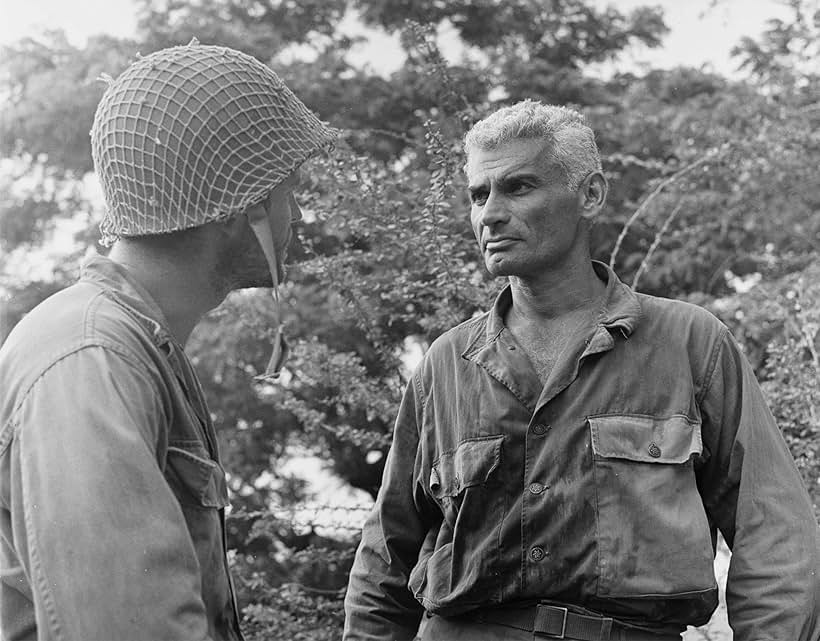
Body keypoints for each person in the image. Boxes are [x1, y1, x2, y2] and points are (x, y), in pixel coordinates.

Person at [343, 100, 820, 641]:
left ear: (590, 195)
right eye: (479, 194)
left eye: (518, 187)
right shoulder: (444, 367)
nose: (490, 213)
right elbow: (385, 560)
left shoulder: (691, 343)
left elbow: (774, 535)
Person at [0, 41, 336, 641]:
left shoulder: (134, 346)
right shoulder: (94, 359)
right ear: (244, 206)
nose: (299, 214)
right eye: (291, 189)